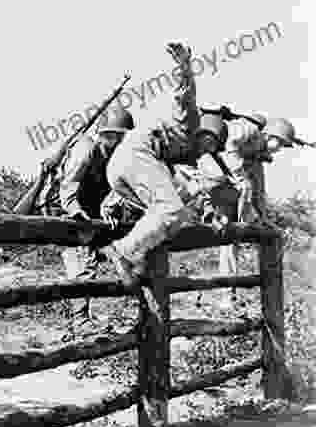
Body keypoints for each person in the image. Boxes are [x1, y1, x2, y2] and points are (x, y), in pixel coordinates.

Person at [100, 42, 227, 288]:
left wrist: (212, 213)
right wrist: (185, 67)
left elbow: (198, 188)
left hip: (120, 167)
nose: (207, 153)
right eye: (208, 145)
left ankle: (139, 268)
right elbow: (184, 95)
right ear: (203, 136)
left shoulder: (181, 158)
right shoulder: (189, 126)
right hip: (136, 153)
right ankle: (121, 252)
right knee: (172, 210)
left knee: (171, 216)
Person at [201, 112, 296, 305]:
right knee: (241, 194)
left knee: (230, 239)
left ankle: (228, 295)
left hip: (228, 187)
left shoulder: (257, 156)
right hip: (211, 175)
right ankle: (226, 294)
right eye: (280, 143)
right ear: (270, 135)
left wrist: (262, 216)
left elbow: (258, 190)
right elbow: (230, 144)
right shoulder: (248, 129)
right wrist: (239, 177)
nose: (279, 149)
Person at [57, 110, 134, 280]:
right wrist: (75, 210)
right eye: (118, 137)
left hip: (97, 217)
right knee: (83, 273)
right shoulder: (85, 150)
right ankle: (79, 308)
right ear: (107, 136)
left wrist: (112, 209)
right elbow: (68, 185)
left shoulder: (122, 158)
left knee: (133, 266)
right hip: (73, 215)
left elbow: (123, 188)